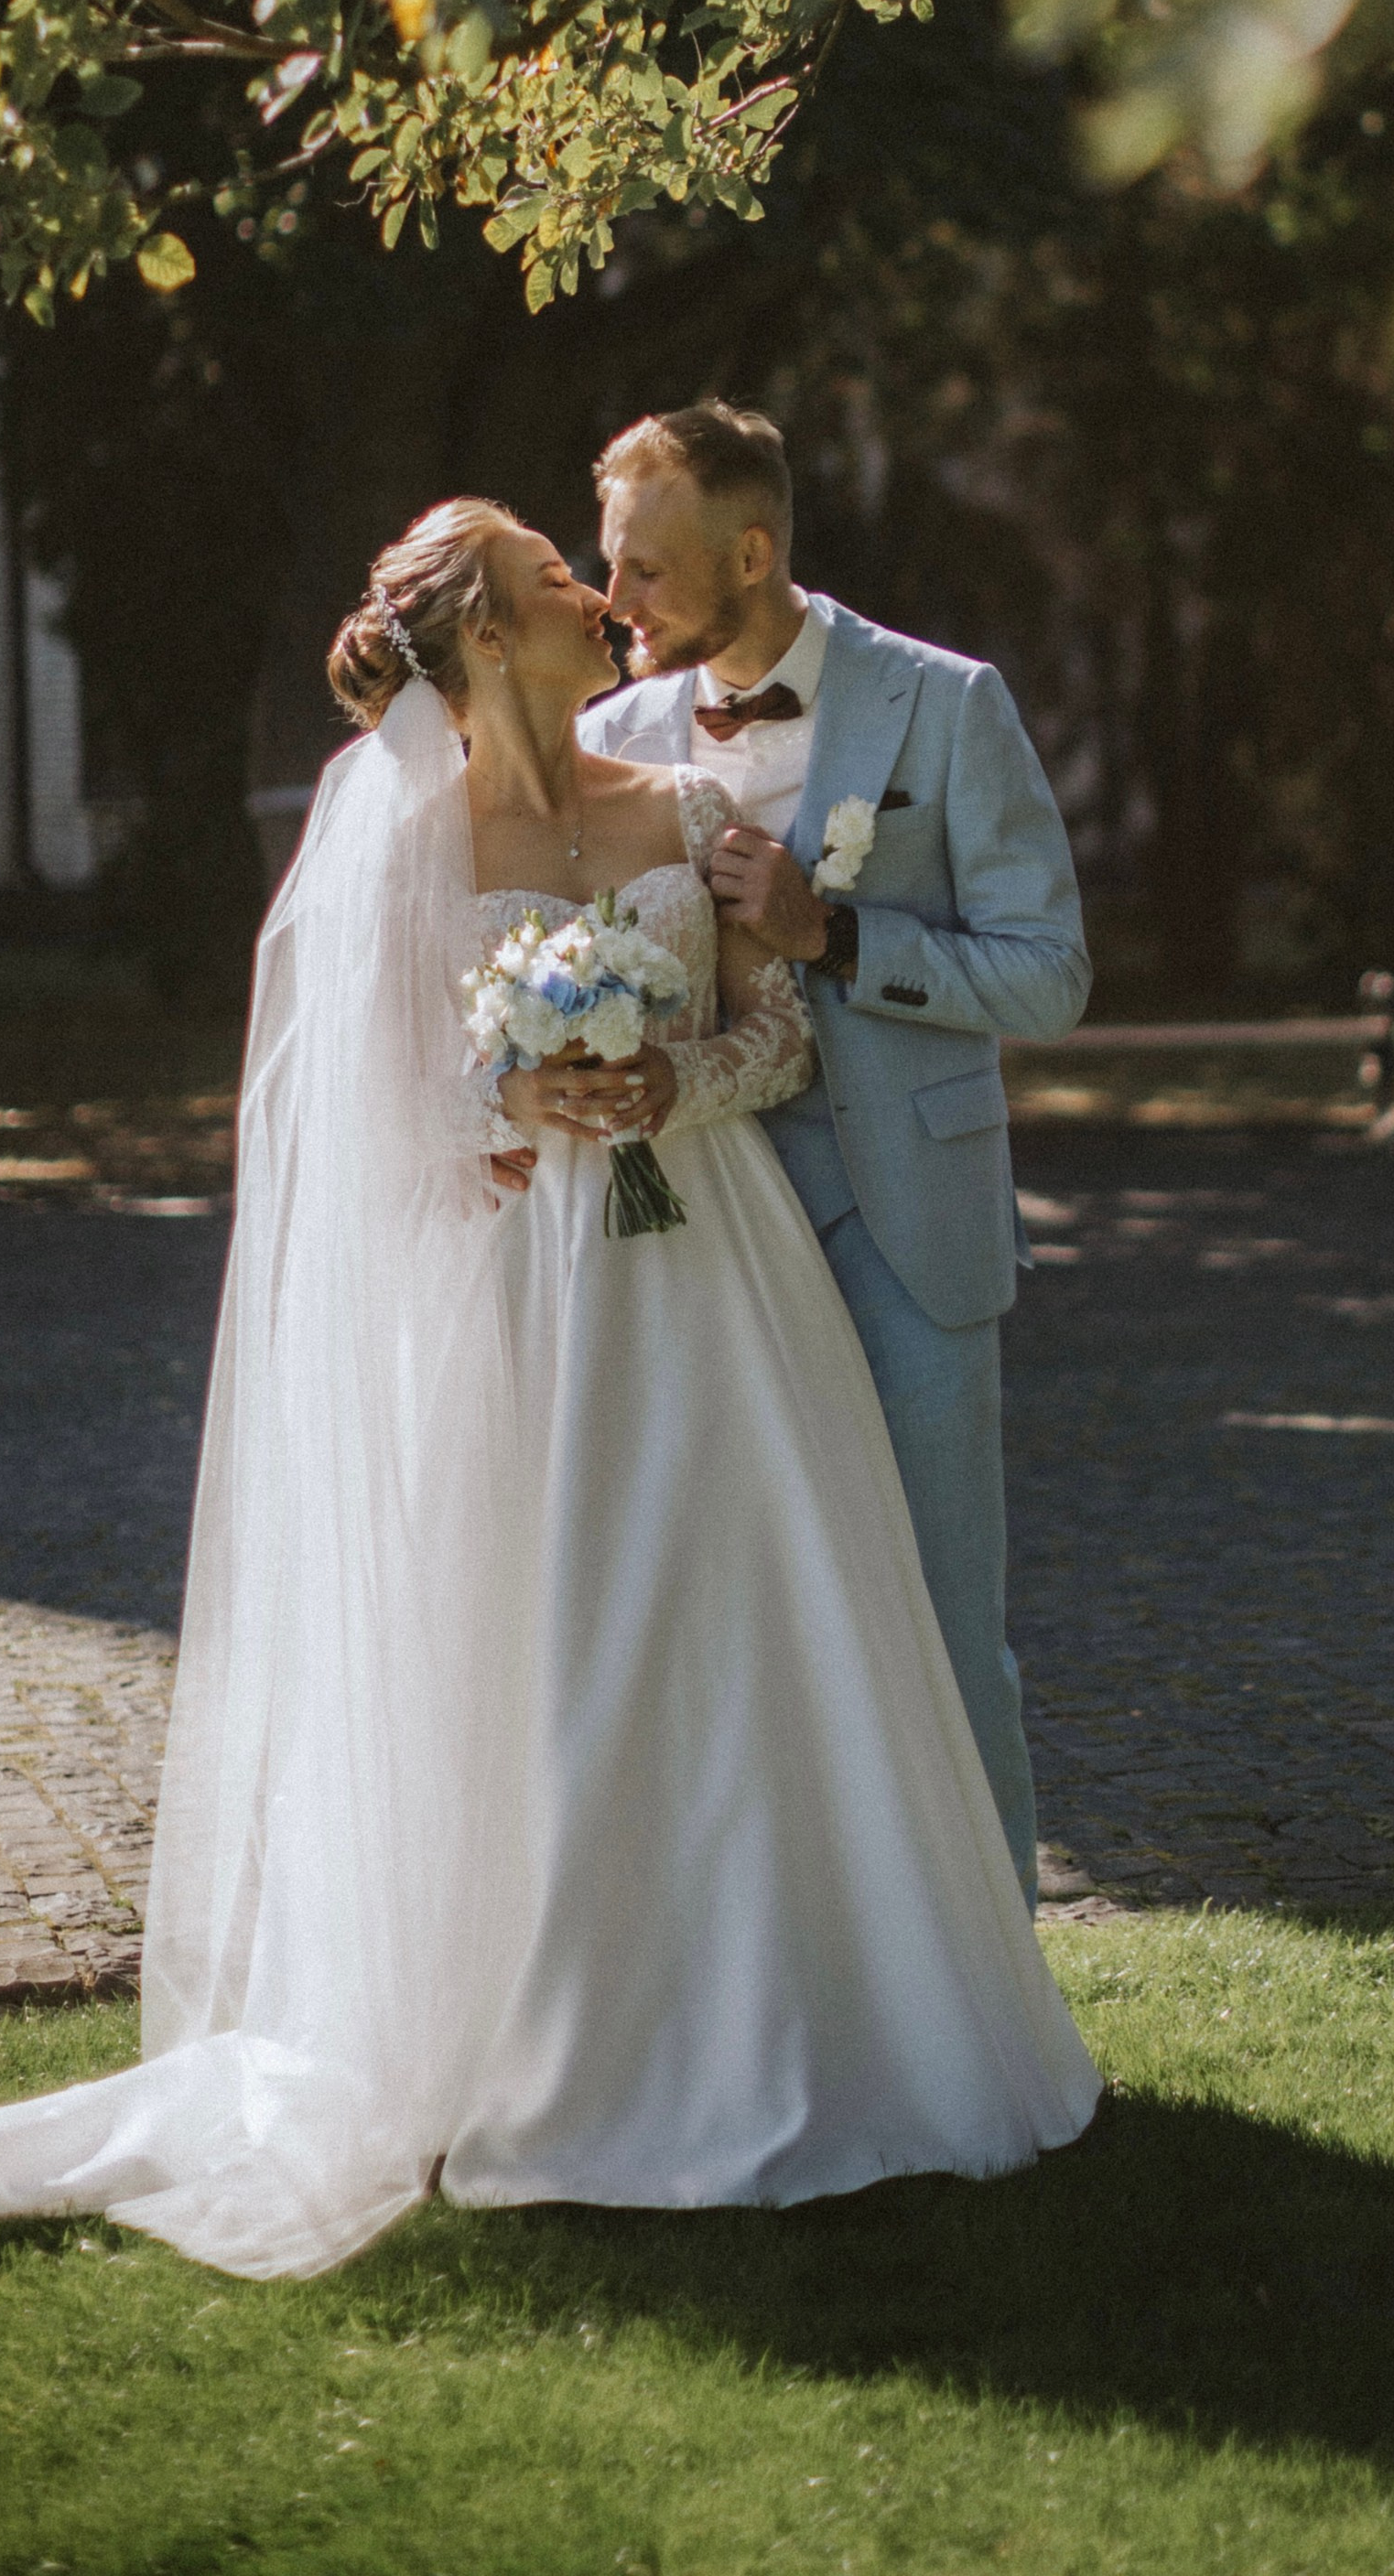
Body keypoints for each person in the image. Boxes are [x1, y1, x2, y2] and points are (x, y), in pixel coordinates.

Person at [0, 501, 1097, 2280]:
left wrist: (665, 1082)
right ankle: (532, 2030)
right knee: (530, 1640)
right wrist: (512, 1107)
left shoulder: (680, 808)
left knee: (740, 1630)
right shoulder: (394, 830)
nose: (595, 591)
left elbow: (773, 1036)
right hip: (503, 1300)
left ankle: (794, 2010)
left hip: (710, 1270)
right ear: (480, 635)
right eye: (558, 574)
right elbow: (363, 1102)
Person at [583, 404, 1092, 1907]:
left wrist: (837, 933)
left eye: (651, 571)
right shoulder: (610, 737)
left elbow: (1050, 973)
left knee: (941, 1624)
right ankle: (805, 1984)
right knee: (728, 1627)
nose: (619, 604)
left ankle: (994, 1998)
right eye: (612, 566)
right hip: (696, 1234)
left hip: (905, 1225)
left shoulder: (945, 706)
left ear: (754, 551)